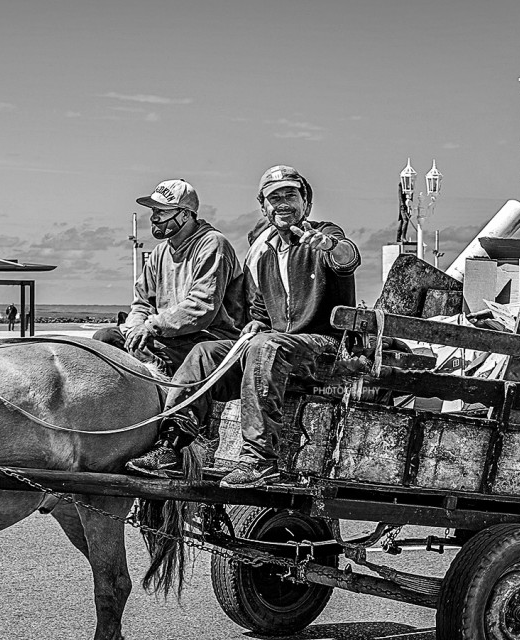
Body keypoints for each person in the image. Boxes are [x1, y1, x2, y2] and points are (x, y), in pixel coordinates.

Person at [126, 165, 361, 489]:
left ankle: (259, 461)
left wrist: (330, 246)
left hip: (326, 347)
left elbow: (346, 258)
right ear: (262, 206)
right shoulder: (264, 255)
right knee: (204, 353)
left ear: (305, 200)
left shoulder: (324, 236)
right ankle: (172, 446)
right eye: (273, 197)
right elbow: (262, 314)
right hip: (277, 345)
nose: (282, 203)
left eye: (290, 194)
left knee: (265, 346)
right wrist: (254, 325)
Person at [93, 178, 244, 374]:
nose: (154, 218)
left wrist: (149, 327)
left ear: (185, 215)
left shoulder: (213, 244)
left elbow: (201, 308)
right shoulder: (159, 252)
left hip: (208, 337)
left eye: (162, 211)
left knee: (144, 351)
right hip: (167, 334)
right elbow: (142, 303)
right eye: (154, 211)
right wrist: (134, 328)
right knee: (104, 339)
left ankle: (164, 390)